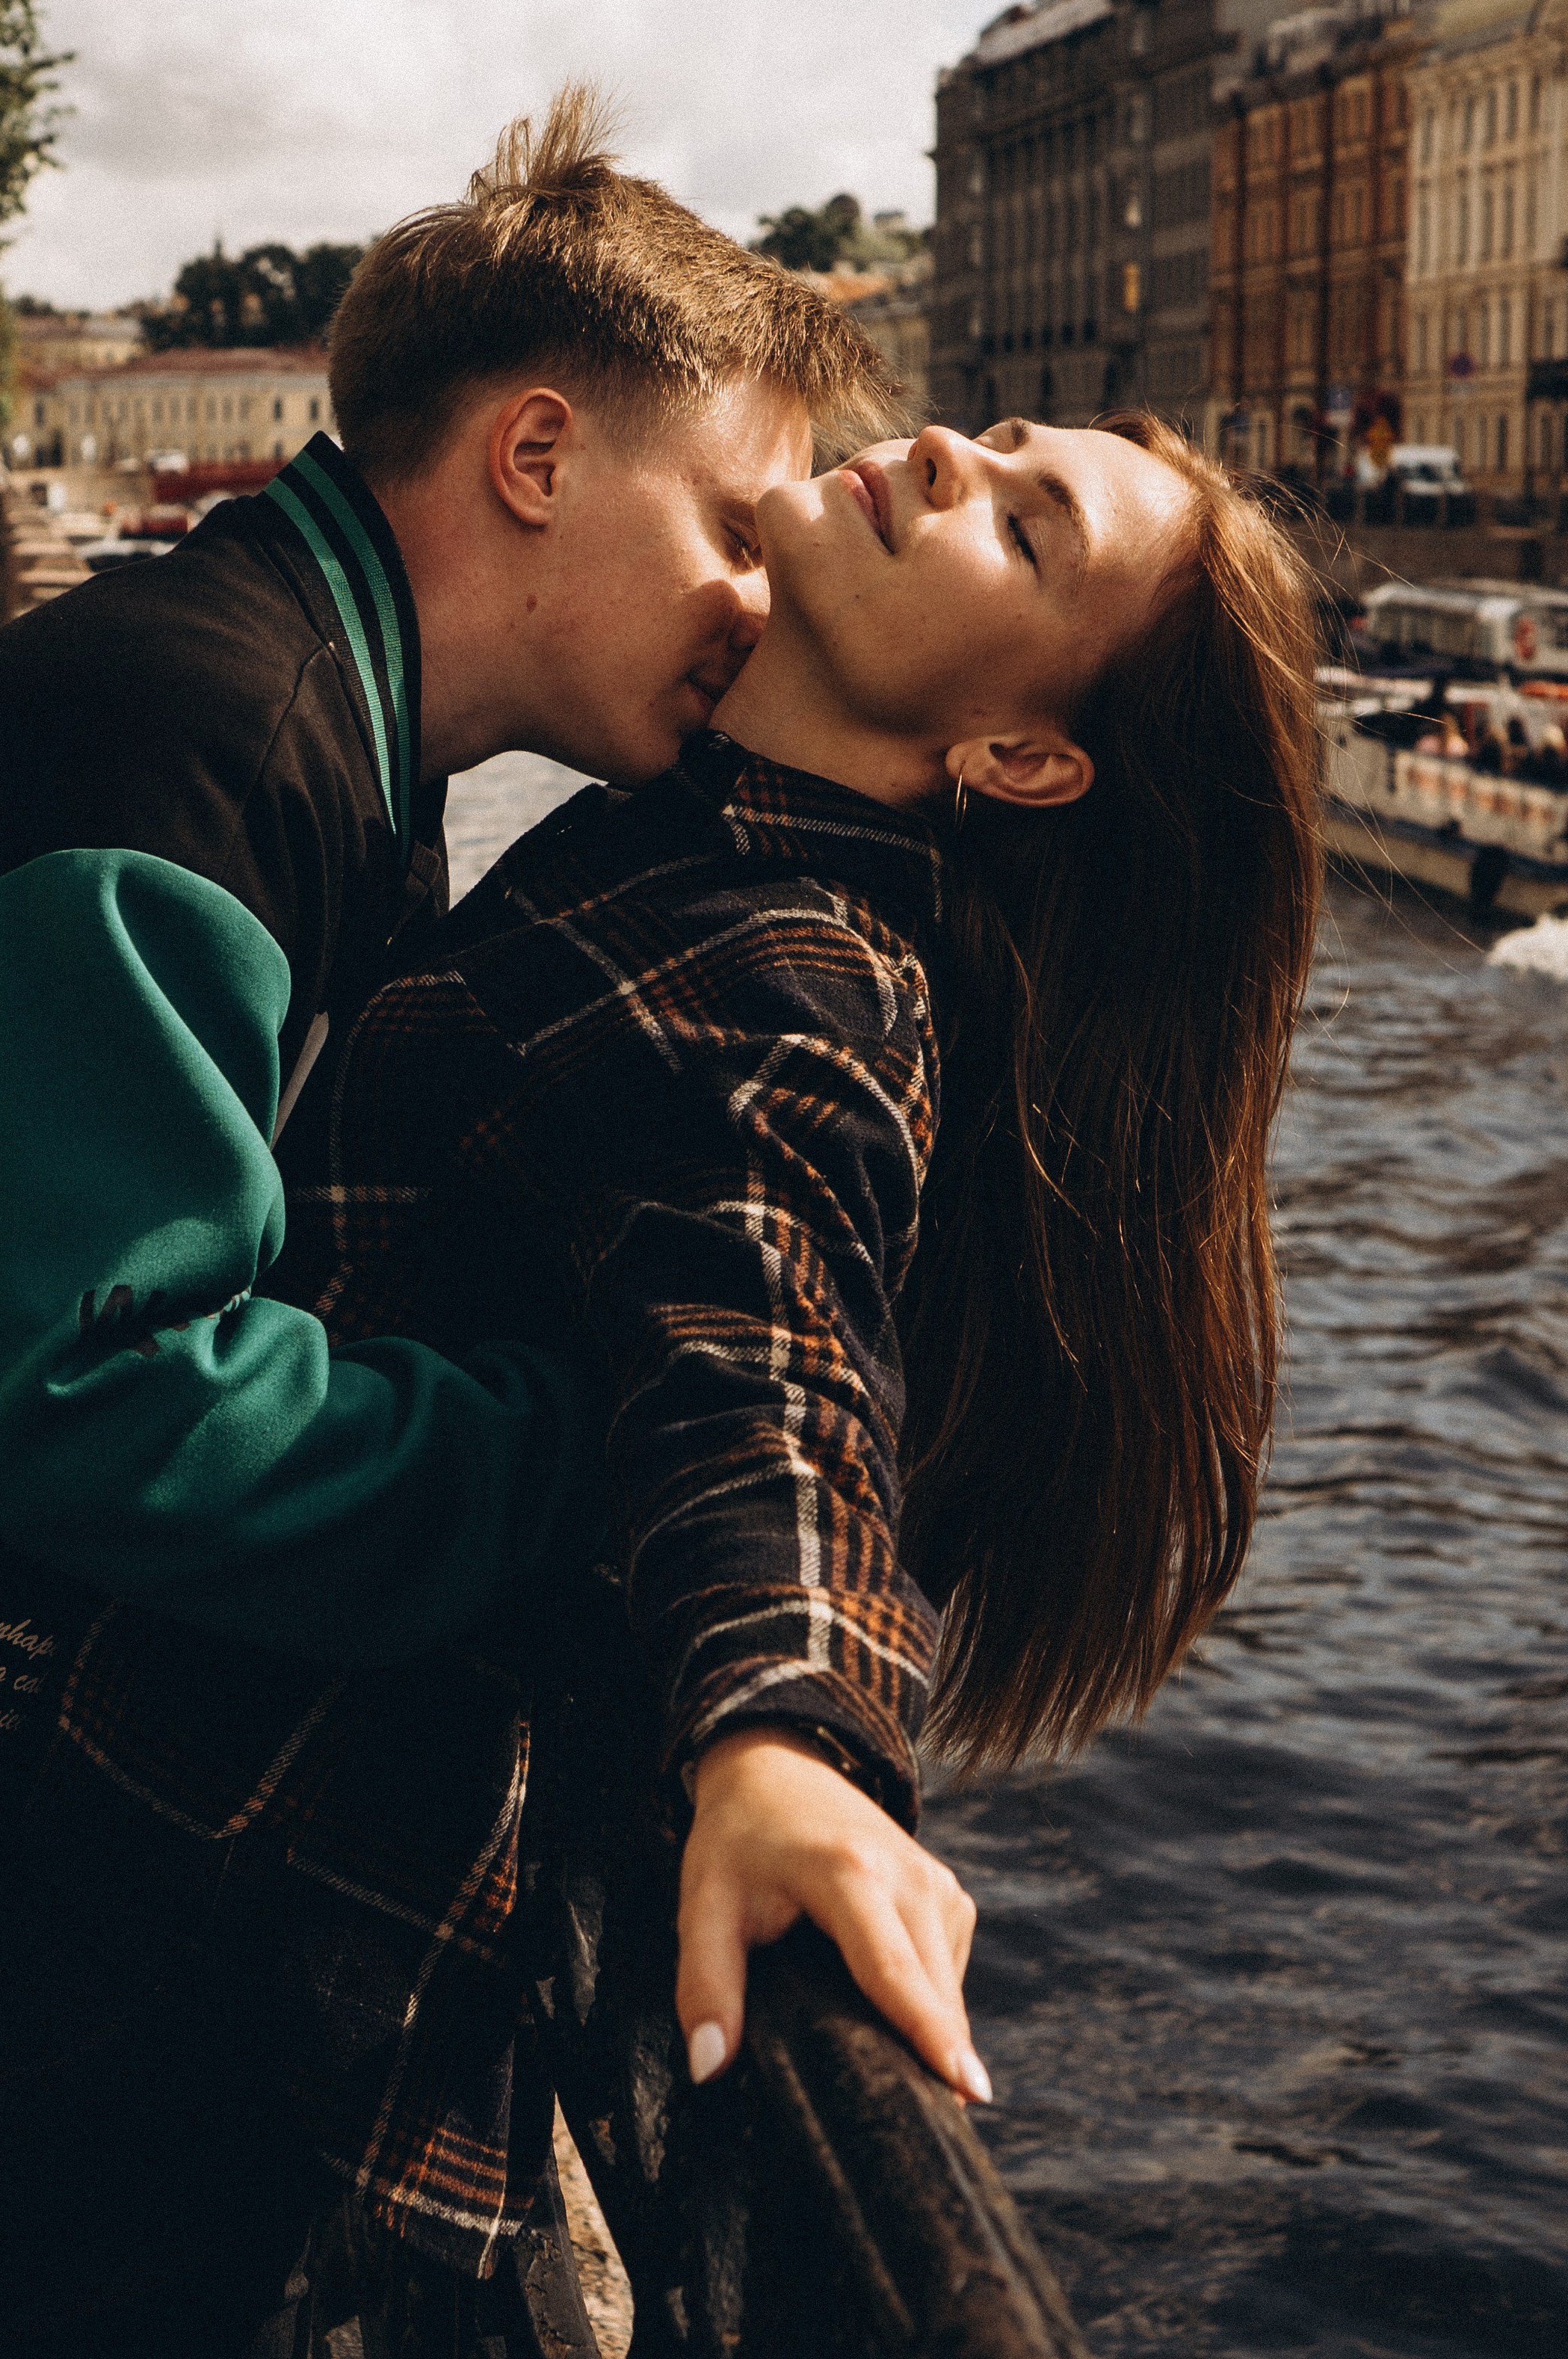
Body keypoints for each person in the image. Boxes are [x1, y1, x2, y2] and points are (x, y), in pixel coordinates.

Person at [0, 93, 892, 2355]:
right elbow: (112, 1402)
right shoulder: (185, 755)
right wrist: (576, 1454)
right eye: (732, 519)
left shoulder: (292, 726)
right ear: (537, 455)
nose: (766, 587)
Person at [259, 405, 1324, 2330]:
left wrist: (793, 1737)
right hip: (273, 1891)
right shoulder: (702, 837)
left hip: (261, 1981)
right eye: (994, 439)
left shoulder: (797, 983)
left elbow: (763, 1342)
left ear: (1016, 755)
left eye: (1022, 524)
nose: (940, 457)